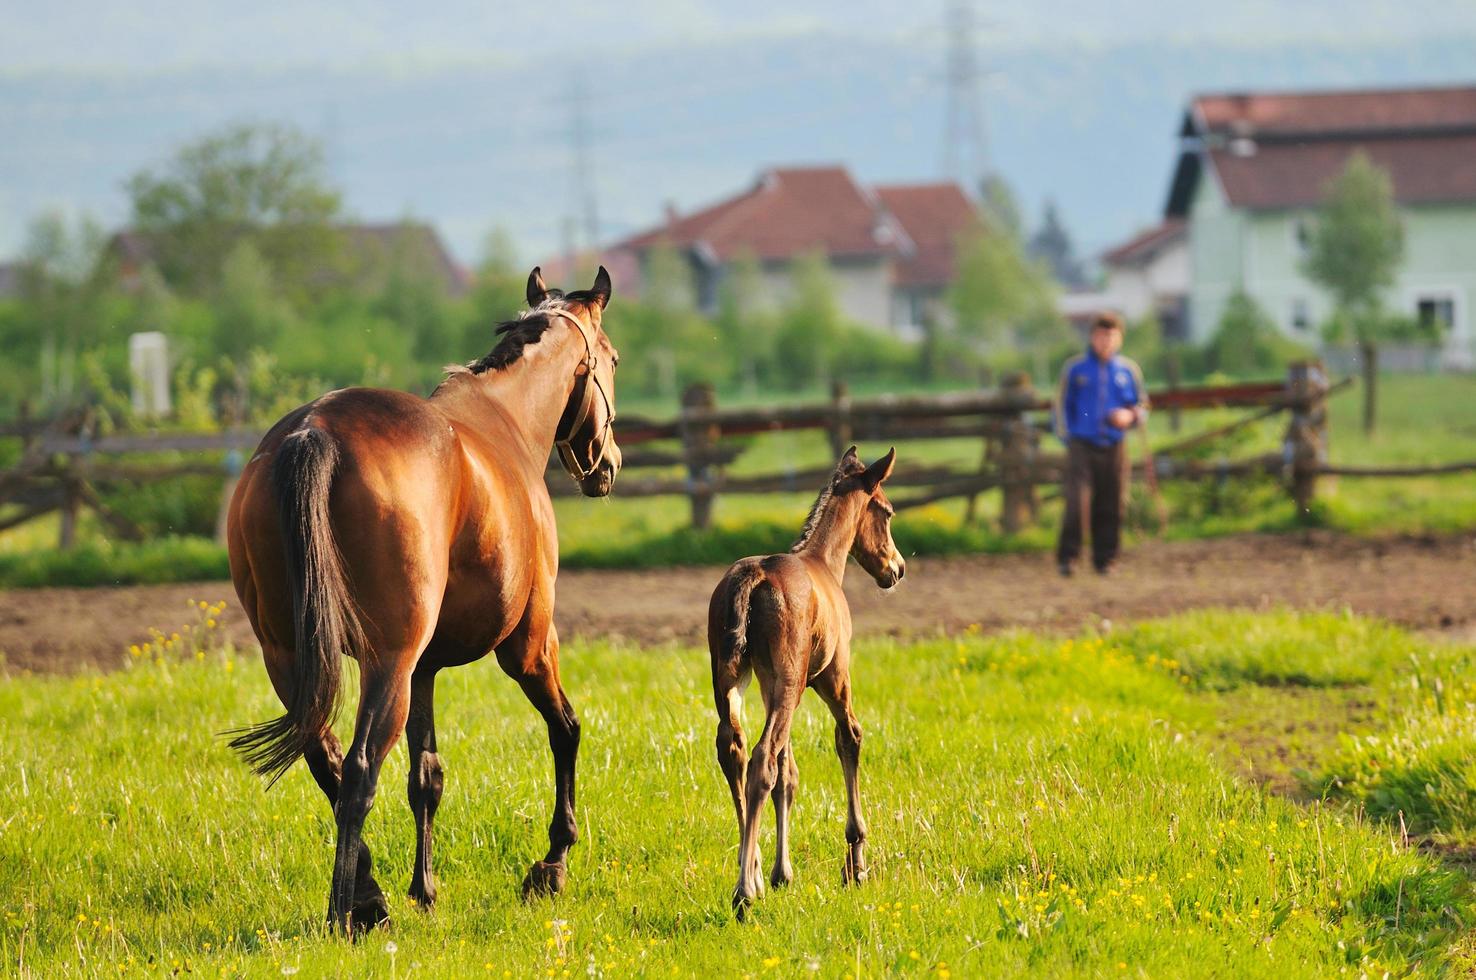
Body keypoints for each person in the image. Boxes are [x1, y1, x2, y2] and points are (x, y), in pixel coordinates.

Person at [1053, 312, 1148, 577]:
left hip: (1115, 445)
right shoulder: (1075, 369)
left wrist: (1130, 416)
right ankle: (1068, 558)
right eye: (1100, 335)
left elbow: (1142, 404)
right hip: (1081, 444)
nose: (1105, 341)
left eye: (1111, 336)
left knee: (1112, 502)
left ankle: (1106, 559)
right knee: (1076, 502)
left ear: (1119, 339)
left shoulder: (1128, 371)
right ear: (1092, 337)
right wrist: (1068, 437)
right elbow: (1061, 405)